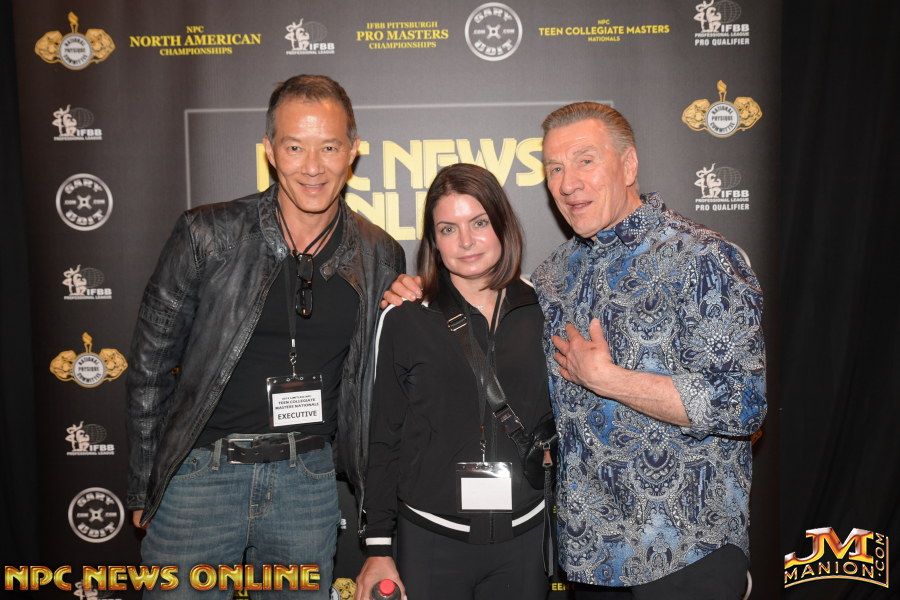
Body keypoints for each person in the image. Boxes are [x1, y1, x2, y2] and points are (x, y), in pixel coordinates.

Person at [383, 102, 766, 599]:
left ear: (628, 164)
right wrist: (421, 287)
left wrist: (610, 380)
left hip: (685, 548)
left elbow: (744, 405)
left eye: (586, 161)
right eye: (555, 169)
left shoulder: (702, 258)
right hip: (591, 557)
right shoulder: (553, 277)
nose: (568, 183)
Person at [126, 74, 405, 598]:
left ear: (353, 152)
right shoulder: (208, 234)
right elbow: (150, 366)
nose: (313, 166)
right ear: (270, 151)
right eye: (295, 147)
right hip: (200, 478)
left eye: (329, 147)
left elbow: (384, 378)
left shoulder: (379, 254)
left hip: (307, 485)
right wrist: (145, 484)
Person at [356, 163, 552, 600]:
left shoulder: (543, 308)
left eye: (478, 223)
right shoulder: (406, 316)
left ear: (502, 224)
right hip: (431, 538)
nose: (466, 241)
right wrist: (378, 545)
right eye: (448, 229)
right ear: (434, 241)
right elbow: (384, 436)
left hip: (524, 540)